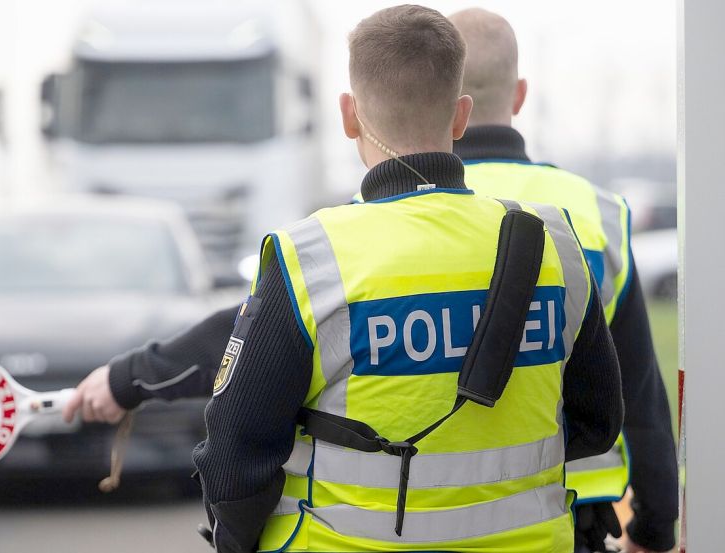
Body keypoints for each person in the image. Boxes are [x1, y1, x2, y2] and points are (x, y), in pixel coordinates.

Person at [67, 5, 623, 552]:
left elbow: (236, 446)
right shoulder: (556, 242)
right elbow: (599, 421)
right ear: (460, 116)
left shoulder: (314, 256)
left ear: (349, 115)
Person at [444, 9, 678, 553]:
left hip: (413, 522)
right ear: (520, 94)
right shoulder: (597, 211)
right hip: (574, 518)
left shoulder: (377, 214)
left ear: (442, 97)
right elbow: (638, 388)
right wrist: (655, 524)